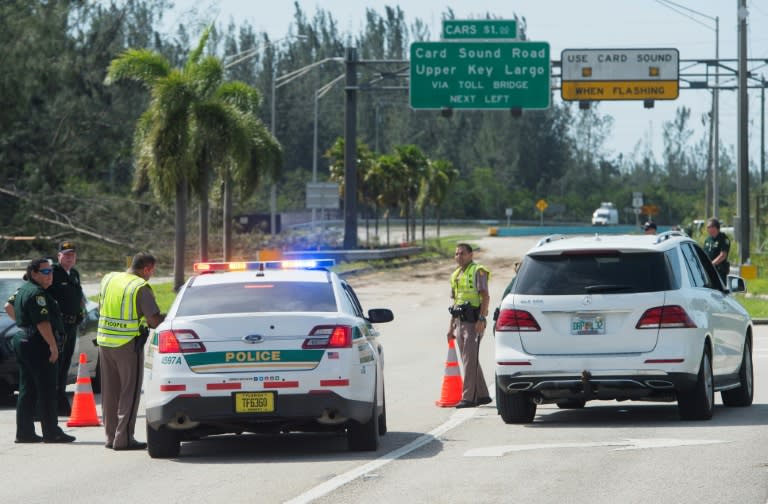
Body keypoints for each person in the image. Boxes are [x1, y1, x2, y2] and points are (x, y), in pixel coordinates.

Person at [4, 258, 75, 443]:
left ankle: (25, 432)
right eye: (45, 272)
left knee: (27, 388)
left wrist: (23, 322)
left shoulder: (24, 289)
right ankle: (51, 432)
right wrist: (52, 345)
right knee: (47, 388)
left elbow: (8, 306)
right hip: (38, 342)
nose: (50, 275)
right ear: (34, 273)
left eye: (51, 271)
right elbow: (42, 322)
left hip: (24, 339)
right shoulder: (37, 294)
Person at [97, 252, 164, 451]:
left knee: (110, 392)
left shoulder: (109, 279)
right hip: (127, 344)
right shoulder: (140, 287)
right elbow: (153, 321)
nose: (151, 275)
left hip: (104, 341)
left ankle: (110, 437)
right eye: (152, 271)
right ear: (147, 269)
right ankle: (124, 439)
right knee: (130, 392)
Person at [447, 243, 492, 409]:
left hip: (474, 322)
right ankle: (482, 395)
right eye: (457, 254)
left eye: (463, 253)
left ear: (471, 255)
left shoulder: (478, 271)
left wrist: (481, 318)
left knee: (469, 360)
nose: (459, 256)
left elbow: (485, 297)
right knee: (470, 359)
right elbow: (455, 302)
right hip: (459, 321)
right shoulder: (455, 275)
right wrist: (450, 327)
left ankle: (468, 398)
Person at [49, 240, 86, 416]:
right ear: (59, 256)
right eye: (66, 255)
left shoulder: (74, 274)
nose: (69, 258)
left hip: (71, 325)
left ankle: (60, 400)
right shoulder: (53, 273)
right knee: (56, 364)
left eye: (72, 255)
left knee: (65, 365)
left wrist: (81, 312)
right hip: (59, 326)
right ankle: (52, 402)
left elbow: (78, 297)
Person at [703, 217, 730, 284]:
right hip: (708, 272)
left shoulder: (723, 239)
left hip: (719, 272)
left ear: (714, 228)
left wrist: (711, 265)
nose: (707, 229)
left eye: (708, 227)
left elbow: (723, 255)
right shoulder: (707, 240)